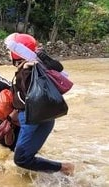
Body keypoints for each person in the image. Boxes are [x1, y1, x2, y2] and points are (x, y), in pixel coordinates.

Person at [5, 33, 74, 175]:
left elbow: (26, 92)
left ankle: (64, 168)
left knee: (21, 159)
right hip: (44, 117)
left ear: (16, 53)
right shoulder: (36, 67)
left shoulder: (29, 69)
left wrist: (27, 70)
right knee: (26, 156)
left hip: (32, 118)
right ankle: (53, 175)